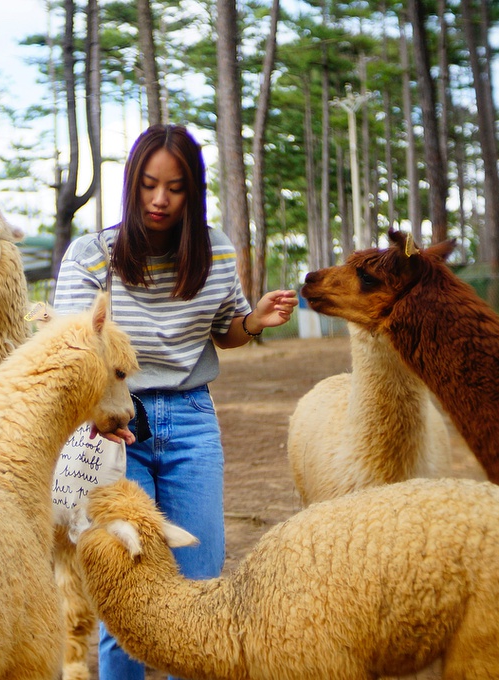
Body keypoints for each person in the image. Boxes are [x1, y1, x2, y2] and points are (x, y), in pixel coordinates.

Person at [52, 123, 298, 679]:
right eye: (147, 184)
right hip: (114, 427)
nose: (160, 199)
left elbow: (224, 329)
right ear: (131, 185)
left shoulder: (215, 252)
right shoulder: (91, 257)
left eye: (175, 187)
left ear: (193, 191)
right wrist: (97, 412)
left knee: (202, 589)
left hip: (191, 421)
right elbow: (70, 353)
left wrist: (252, 321)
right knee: (128, 598)